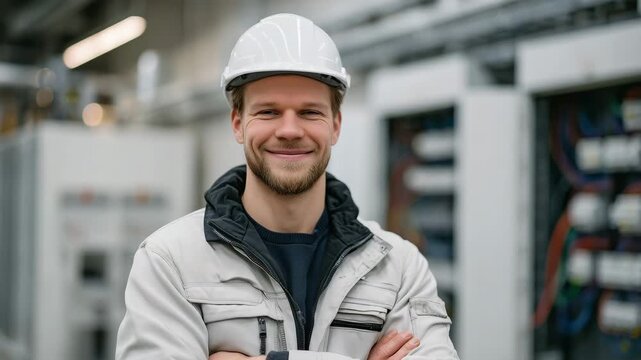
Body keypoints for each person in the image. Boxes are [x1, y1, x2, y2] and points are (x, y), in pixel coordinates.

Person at [115, 13, 459, 360]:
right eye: (268, 112)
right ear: (238, 123)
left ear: (335, 125)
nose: (290, 130)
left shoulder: (398, 267)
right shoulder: (170, 262)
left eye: (310, 112)